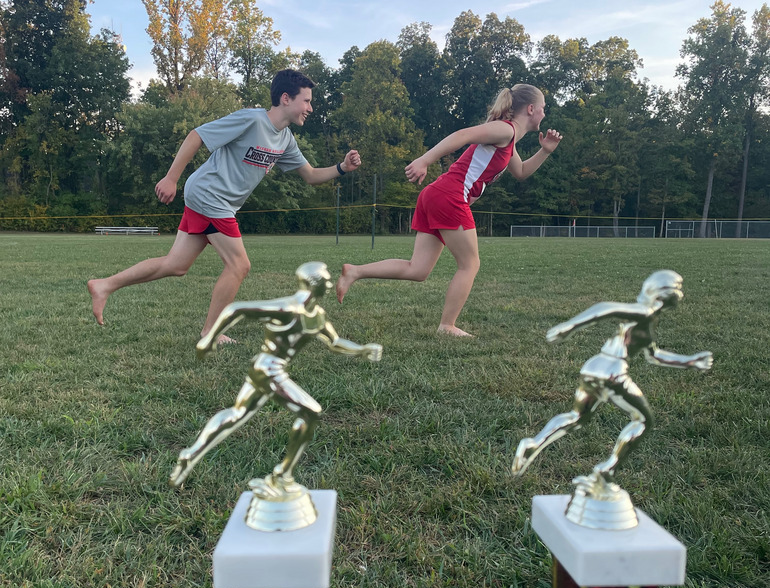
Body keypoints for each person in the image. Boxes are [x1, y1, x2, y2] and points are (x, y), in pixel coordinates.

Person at [88, 69, 361, 343]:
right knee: (239, 265)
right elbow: (197, 135)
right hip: (210, 195)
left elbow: (310, 175)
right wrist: (171, 178)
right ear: (286, 98)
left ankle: (104, 286)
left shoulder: (286, 139)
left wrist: (342, 168)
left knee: (176, 265)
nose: (310, 108)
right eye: (307, 101)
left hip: (214, 201)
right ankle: (210, 331)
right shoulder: (251, 120)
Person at [335, 84, 562, 337]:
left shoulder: (509, 141)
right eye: (543, 108)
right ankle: (447, 326)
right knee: (470, 264)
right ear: (531, 109)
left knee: (418, 270)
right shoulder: (504, 130)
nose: (544, 113)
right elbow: (462, 135)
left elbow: (520, 172)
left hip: (437, 195)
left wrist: (545, 151)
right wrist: (424, 160)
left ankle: (355, 271)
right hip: (449, 197)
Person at [169, 262, 382, 491]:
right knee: (311, 412)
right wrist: (209, 339)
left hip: (266, 369)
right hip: (269, 369)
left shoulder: (317, 315)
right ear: (312, 283)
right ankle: (283, 476)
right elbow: (235, 309)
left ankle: (190, 455)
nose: (329, 283)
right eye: (325, 279)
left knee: (237, 414)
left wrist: (362, 349)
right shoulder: (288, 308)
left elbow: (335, 343)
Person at [511, 270, 713, 495]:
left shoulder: (649, 319)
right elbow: (606, 307)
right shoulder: (645, 311)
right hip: (613, 372)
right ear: (664, 293)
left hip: (594, 367)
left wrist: (690, 361)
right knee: (643, 421)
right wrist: (569, 326)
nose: (680, 294)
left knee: (577, 417)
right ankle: (606, 470)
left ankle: (533, 444)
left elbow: (654, 355)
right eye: (678, 288)